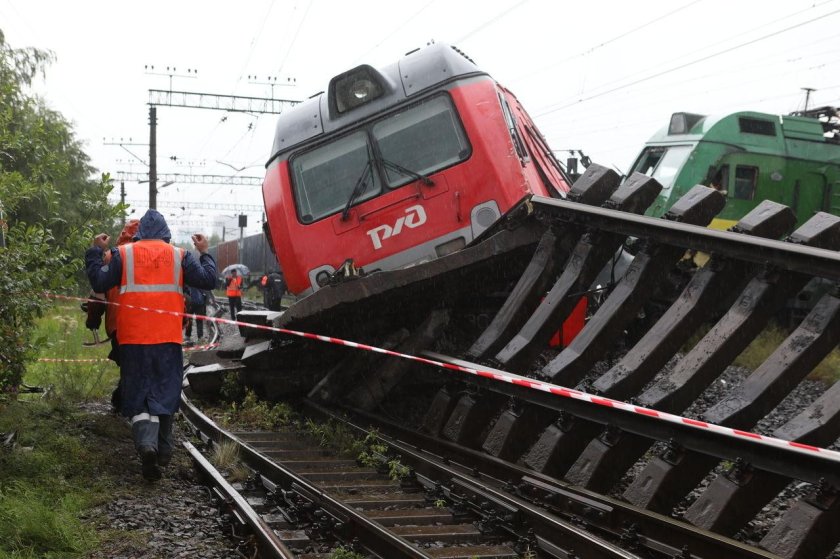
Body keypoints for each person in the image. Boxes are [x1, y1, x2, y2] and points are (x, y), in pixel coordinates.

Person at [85, 209, 216, 482]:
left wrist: (96, 250)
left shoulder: (124, 255)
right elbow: (207, 281)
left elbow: (99, 282)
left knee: (138, 393)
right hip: (167, 339)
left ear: (141, 232)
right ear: (165, 232)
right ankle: (164, 450)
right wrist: (204, 251)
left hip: (132, 339)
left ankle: (147, 446)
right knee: (165, 392)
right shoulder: (180, 256)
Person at [83, 219, 141, 413]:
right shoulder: (156, 257)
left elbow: (98, 295)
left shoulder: (111, 257)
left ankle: (124, 403)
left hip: (120, 326)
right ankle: (133, 405)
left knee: (128, 367)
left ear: (122, 235)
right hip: (152, 326)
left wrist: (93, 319)